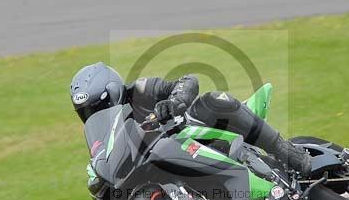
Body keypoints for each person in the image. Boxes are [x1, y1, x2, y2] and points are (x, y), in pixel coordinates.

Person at [70, 62, 312, 176]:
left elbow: (188, 81)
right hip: (163, 165)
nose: (94, 115)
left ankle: (288, 152)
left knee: (214, 100)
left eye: (99, 106)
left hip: (194, 133)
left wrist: (174, 103)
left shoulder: (141, 90)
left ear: (113, 92)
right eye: (87, 112)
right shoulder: (102, 138)